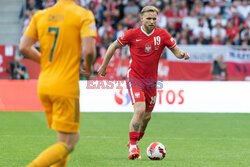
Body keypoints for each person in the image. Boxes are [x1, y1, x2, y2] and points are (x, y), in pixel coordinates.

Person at [98, 6, 190, 160]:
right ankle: (133, 146)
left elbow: (176, 51)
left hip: (151, 82)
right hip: (134, 77)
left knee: (147, 116)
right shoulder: (132, 34)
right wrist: (103, 66)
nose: (152, 21)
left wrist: (182, 54)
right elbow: (113, 46)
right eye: (148, 18)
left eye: (154, 19)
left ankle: (135, 140)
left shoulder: (162, 35)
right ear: (141, 19)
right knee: (139, 110)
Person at [19, 0, 96, 166]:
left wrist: (47, 62)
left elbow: (24, 47)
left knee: (63, 139)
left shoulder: (40, 15)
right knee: (70, 141)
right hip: (66, 86)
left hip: (44, 84)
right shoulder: (83, 14)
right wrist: (88, 68)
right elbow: (89, 51)